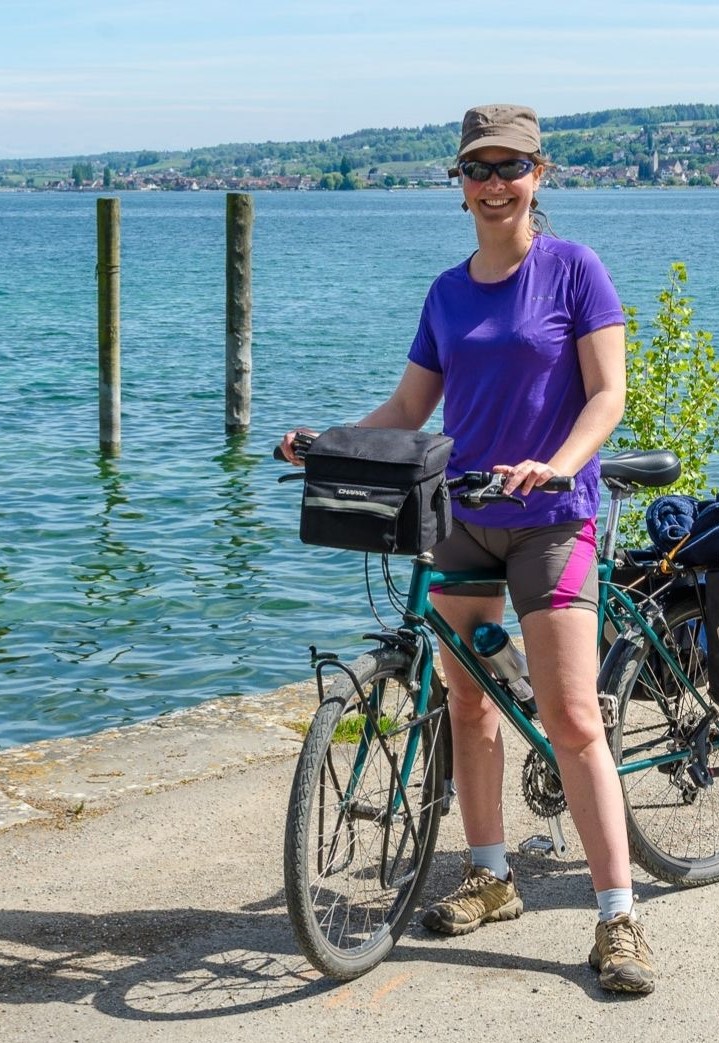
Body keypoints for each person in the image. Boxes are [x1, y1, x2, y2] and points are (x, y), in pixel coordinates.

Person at [280, 103, 654, 995]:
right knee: (467, 704)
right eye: (476, 170)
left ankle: (618, 918)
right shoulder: (447, 292)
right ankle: (489, 874)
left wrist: (555, 465)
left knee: (570, 717)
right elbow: (409, 412)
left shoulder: (573, 271)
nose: (493, 184)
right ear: (459, 184)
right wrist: (329, 444)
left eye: (509, 167)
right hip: (460, 512)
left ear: (538, 175)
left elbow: (607, 396)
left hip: (550, 516)